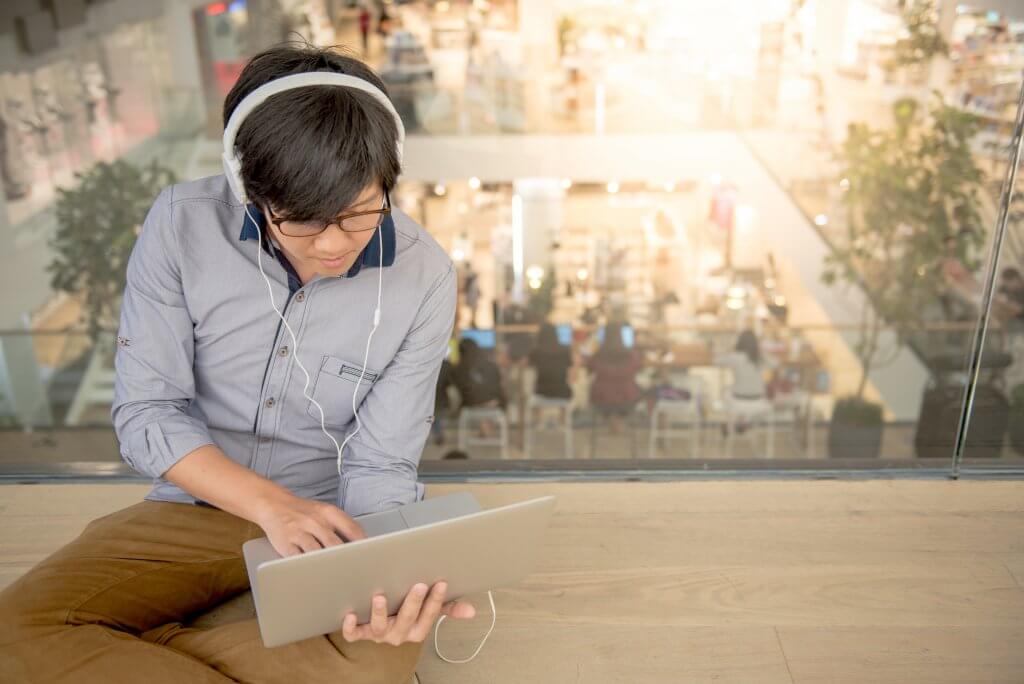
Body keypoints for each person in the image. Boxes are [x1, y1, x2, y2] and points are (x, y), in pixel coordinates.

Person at [0, 44, 476, 684]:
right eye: (303, 220)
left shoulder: (426, 276)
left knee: (378, 651)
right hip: (192, 511)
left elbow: (382, 462)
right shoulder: (179, 224)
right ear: (247, 185)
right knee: (11, 633)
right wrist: (271, 507)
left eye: (359, 212)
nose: (333, 244)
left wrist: (384, 580)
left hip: (331, 532)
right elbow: (147, 412)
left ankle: (139, 646)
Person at [586, 321, 643, 434]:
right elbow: (638, 367)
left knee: (603, 391)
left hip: (601, 401)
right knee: (638, 388)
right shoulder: (632, 355)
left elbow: (589, 366)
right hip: (626, 400)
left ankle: (612, 418)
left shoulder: (598, 355)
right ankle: (618, 420)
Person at [452, 337, 507, 438]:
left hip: (472, 405)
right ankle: (486, 425)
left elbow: (461, 390)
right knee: (495, 397)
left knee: (475, 397)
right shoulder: (491, 365)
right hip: (494, 403)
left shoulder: (459, 369)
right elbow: (499, 385)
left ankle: (484, 425)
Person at [528, 322, 575, 401]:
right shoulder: (565, 350)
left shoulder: (536, 351)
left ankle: (537, 413)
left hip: (541, 391)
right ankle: (562, 413)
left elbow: (528, 365)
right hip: (562, 391)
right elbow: (570, 368)